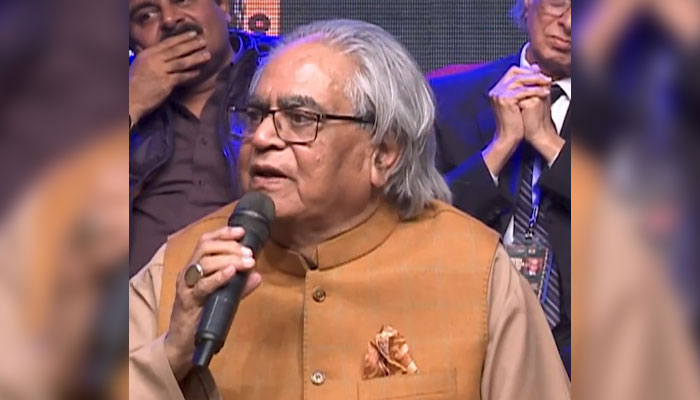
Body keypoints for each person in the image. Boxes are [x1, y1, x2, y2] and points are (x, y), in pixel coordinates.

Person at [129, 19, 570, 399]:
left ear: (384, 154)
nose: (262, 138)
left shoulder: (474, 271)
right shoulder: (184, 269)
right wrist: (170, 355)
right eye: (256, 115)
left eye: (301, 119)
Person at [430, 0, 572, 373]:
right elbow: (416, 224)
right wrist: (499, 147)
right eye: (558, 3)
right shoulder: (445, 98)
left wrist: (548, 143)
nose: (571, 23)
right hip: (464, 329)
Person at [128, 0, 277, 276]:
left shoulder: (282, 74)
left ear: (224, 6)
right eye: (146, 15)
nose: (169, 20)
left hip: (254, 287)